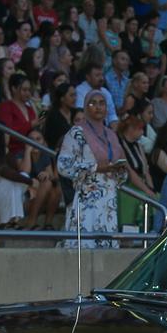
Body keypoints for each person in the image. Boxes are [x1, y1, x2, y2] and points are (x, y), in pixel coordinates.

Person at [56, 90, 127, 248]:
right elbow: (63, 165)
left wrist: (119, 170)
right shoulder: (76, 133)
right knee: (84, 248)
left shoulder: (111, 135)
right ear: (85, 107)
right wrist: (95, 167)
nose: (98, 107)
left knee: (106, 253)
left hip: (108, 201)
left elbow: (122, 168)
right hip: (86, 197)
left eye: (102, 103)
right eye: (92, 103)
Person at [0, 73, 38, 155]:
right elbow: (7, 134)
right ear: (14, 89)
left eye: (29, 90)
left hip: (32, 149)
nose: (28, 93)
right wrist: (30, 124)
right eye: (24, 90)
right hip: (15, 151)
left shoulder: (30, 109)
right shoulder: (6, 107)